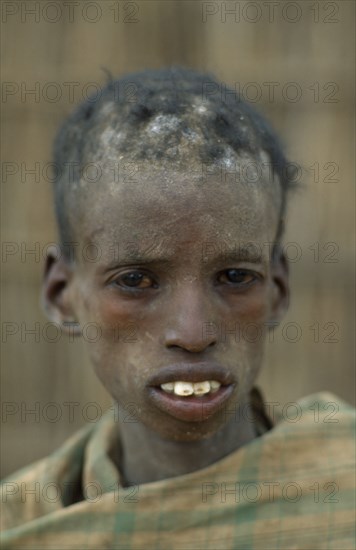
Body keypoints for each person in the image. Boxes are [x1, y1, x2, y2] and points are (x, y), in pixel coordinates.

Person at [1, 67, 354, 549]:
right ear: (62, 294)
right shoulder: (24, 526)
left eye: (234, 277)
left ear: (278, 289)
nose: (192, 332)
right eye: (135, 281)